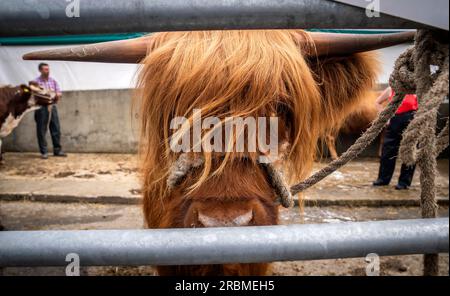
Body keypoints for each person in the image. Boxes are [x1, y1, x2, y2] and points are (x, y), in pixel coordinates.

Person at [372, 86, 417, 190]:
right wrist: (385, 116)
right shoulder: (391, 89)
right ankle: (383, 180)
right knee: (388, 151)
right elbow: (377, 102)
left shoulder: (416, 88)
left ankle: (404, 182)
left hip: (413, 121)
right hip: (395, 120)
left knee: (409, 151)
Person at [34, 63, 67, 159]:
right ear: (40, 70)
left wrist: (58, 94)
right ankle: (44, 152)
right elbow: (34, 95)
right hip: (41, 108)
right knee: (41, 130)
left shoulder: (53, 81)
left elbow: (59, 92)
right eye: (45, 69)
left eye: (48, 69)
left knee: (56, 128)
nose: (47, 71)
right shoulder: (35, 82)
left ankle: (57, 150)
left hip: (52, 106)